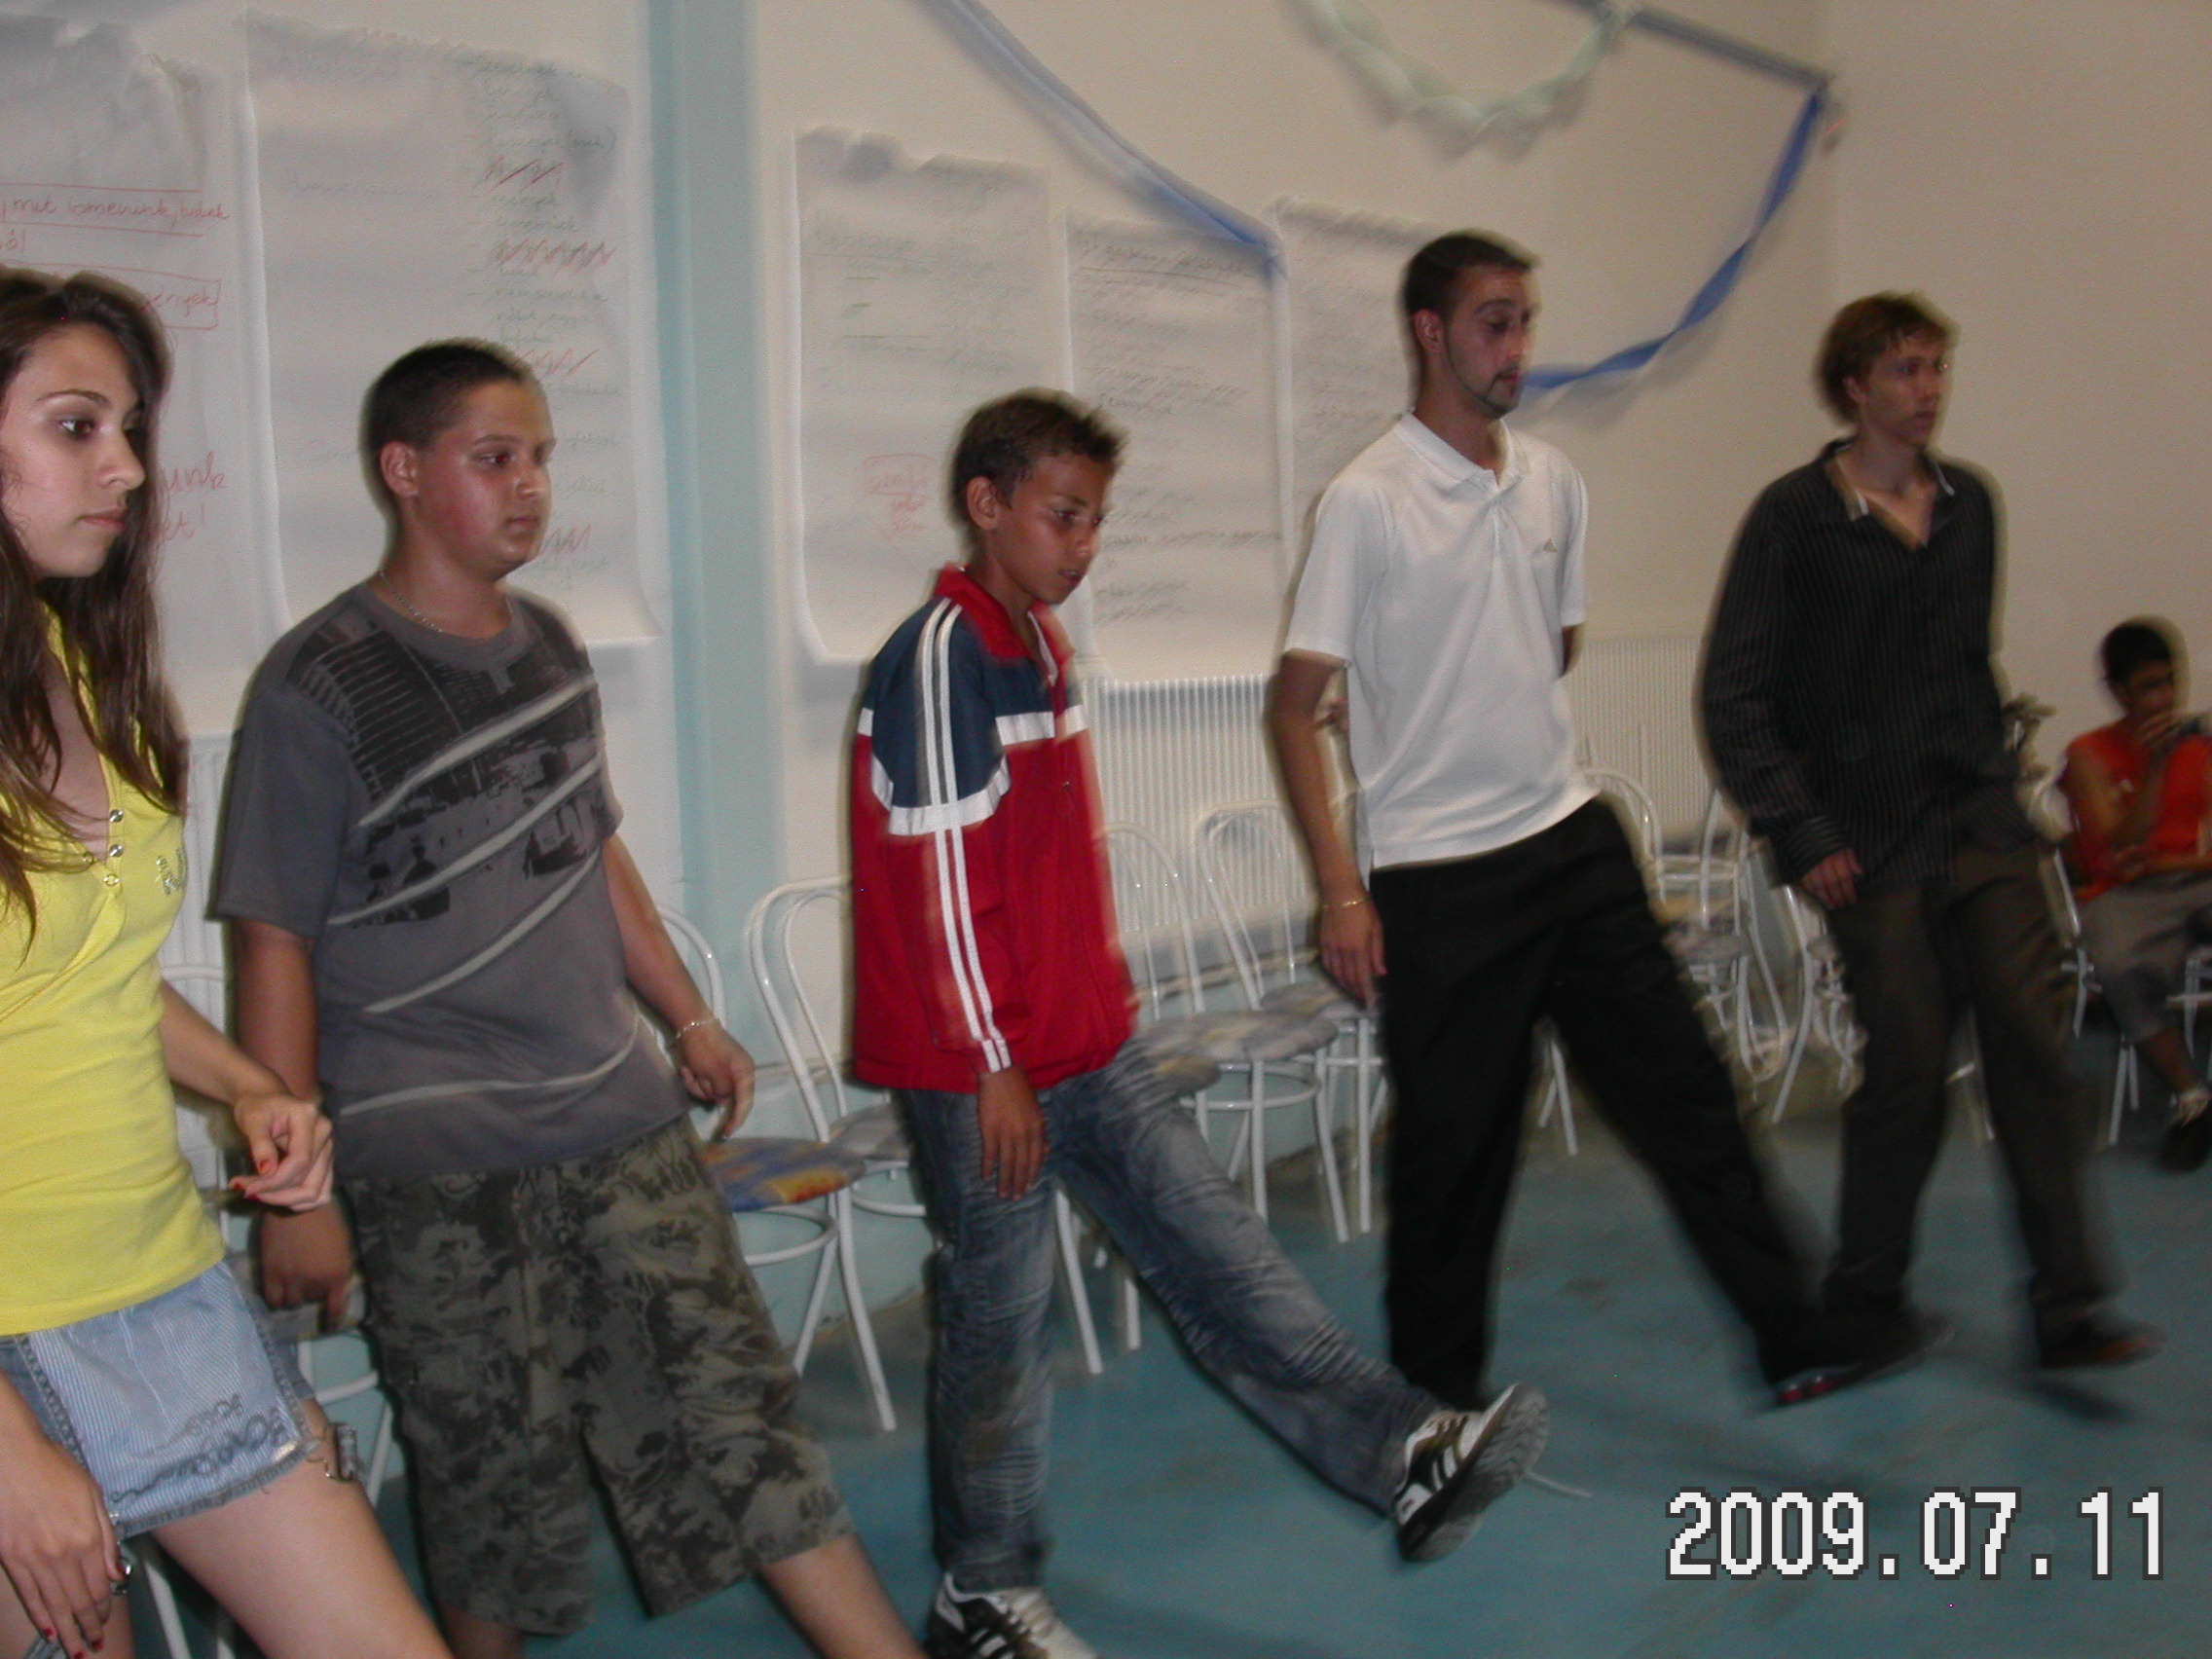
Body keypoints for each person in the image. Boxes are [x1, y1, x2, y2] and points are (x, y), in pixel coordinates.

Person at [216, 341, 923, 1659]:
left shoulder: (546, 645)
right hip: (435, 1155)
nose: (531, 485)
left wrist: (687, 1014)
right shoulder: (320, 683)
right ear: (404, 471)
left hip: (613, 1113)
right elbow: (273, 941)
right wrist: (295, 1194)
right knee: (493, 1481)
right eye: (495, 459)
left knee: (744, 1422)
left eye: (540, 457)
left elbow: (590, 847)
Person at [853, 390, 1549, 1659]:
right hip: (980, 1069)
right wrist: (994, 1061)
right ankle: (983, 1596)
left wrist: (1084, 1014)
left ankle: (1404, 1451)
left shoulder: (1039, 646)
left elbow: (1041, 871)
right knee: (1002, 1329)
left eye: (1096, 521)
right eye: (1063, 516)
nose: (1084, 545)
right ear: (986, 505)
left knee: (1224, 1259)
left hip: (1083, 1042)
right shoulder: (944, 655)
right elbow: (943, 882)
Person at [1270, 232, 1839, 1417]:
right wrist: (1341, 891)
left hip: (1570, 840)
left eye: (1525, 321)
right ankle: (1435, 1408)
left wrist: (1455, 689)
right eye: (1494, 322)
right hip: (1438, 875)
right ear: (1429, 331)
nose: (1517, 347)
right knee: (1455, 1153)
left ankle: (1796, 1336)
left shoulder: (1551, 482)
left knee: (1687, 1095)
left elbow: (1551, 642)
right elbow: (1292, 706)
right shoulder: (1366, 501)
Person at [0, 270, 454, 1659]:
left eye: (128, 429)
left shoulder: (68, 662)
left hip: (153, 1282)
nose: (127, 468)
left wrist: (253, 1087)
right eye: (76, 427)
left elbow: (84, 981)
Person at [1702, 292, 2157, 1373]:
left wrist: (2005, 787)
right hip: (1867, 845)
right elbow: (1734, 697)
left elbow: (1962, 665)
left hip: (1980, 825)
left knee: (2034, 1050)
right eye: (1905, 371)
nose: (1928, 390)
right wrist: (1803, 833)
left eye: (1937, 367)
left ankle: (2068, 1310)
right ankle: (1865, 1304)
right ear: (1853, 387)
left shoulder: (1969, 506)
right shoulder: (1794, 519)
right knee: (1906, 1069)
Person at [2060, 618, 2212, 1169]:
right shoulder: (2089, 754)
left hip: (2195, 878)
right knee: (2119, 963)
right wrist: (2157, 766)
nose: (2165, 698)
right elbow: (2118, 843)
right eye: (2150, 687)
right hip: (2124, 896)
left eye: (2171, 681)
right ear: (2119, 693)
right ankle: (2193, 1099)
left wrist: (2177, 862)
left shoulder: (2203, 746)